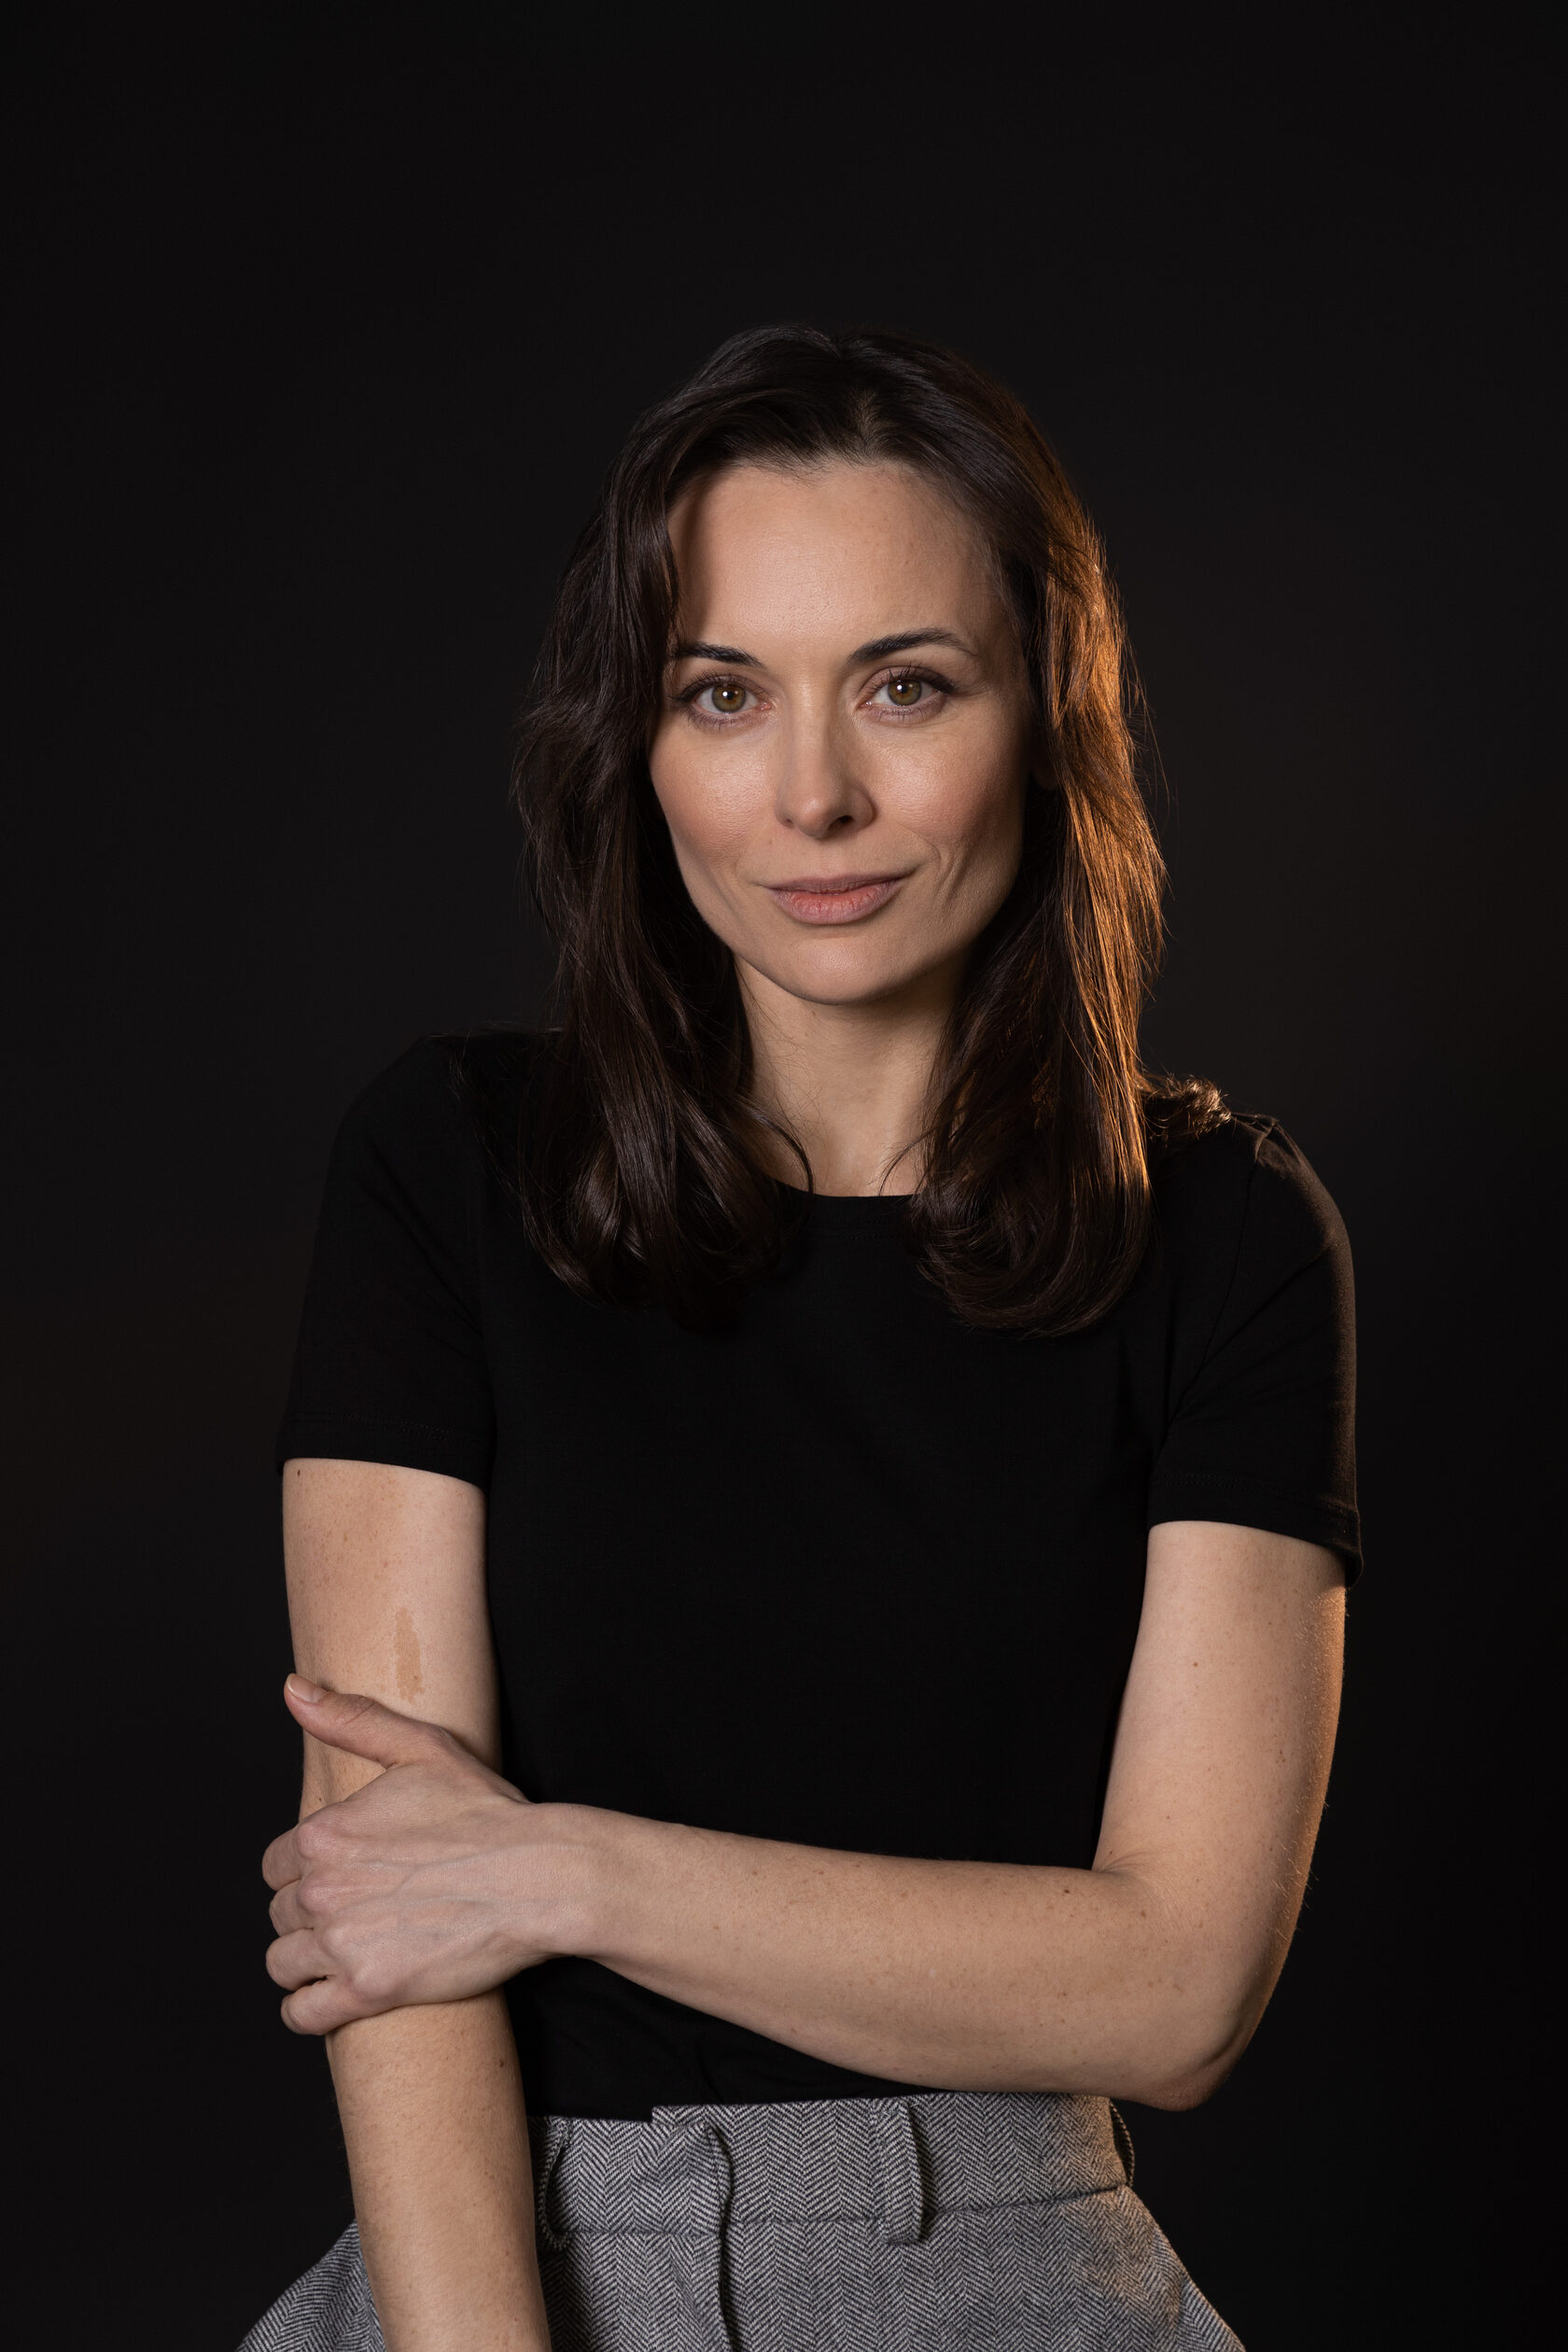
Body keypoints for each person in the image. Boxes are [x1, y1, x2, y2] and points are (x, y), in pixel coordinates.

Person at [243, 325, 1359, 2352]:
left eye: (906, 686)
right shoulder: (451, 1163)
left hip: (1021, 2272)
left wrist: (563, 1876)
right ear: (638, 739)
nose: (815, 795)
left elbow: (1181, 1990)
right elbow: (390, 1896)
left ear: (1044, 719)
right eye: (724, 694)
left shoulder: (1226, 1235)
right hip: (489, 2275)